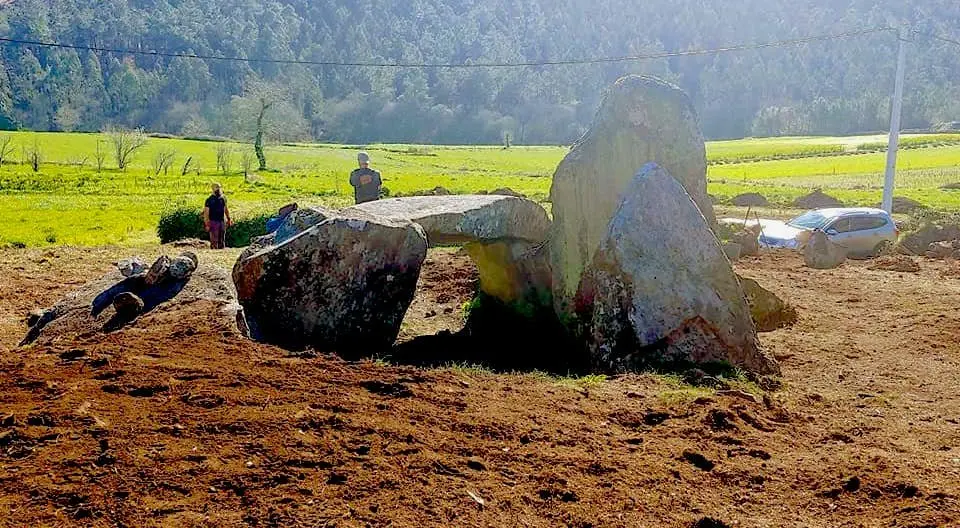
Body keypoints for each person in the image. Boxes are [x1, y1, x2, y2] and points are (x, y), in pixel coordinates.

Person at [203, 183, 232, 249]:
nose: (218, 189)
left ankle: (222, 253)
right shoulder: (209, 200)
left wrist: (229, 219)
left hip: (222, 221)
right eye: (216, 187)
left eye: (219, 187)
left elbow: (226, 209)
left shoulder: (223, 198)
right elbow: (206, 213)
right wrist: (207, 224)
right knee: (214, 241)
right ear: (213, 189)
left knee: (222, 240)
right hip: (213, 222)